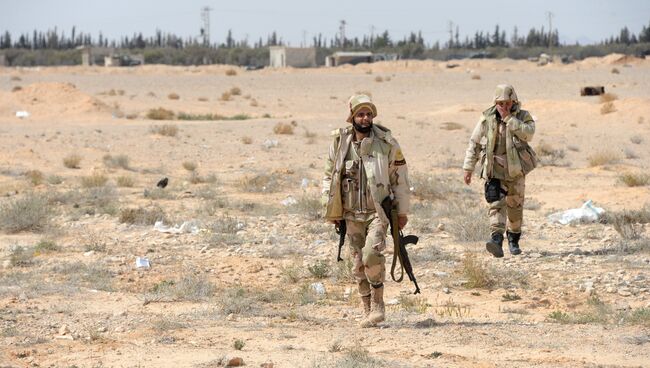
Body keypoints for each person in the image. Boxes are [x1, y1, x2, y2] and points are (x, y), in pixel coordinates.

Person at [321, 94, 411, 327]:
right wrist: (332, 210)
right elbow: (329, 176)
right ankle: (367, 309)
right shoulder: (340, 143)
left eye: (369, 114)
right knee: (357, 263)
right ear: (352, 117)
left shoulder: (386, 143)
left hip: (377, 213)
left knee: (372, 254)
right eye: (360, 114)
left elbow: (399, 179)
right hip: (350, 214)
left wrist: (402, 212)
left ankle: (379, 305)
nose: (365, 118)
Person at [462, 84, 537, 258]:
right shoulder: (487, 118)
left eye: (508, 103)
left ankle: (513, 240)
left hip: (515, 170)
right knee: (495, 204)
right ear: (495, 102)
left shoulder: (523, 116)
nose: (504, 107)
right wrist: (468, 168)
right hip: (493, 170)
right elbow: (474, 143)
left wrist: (510, 119)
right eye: (500, 103)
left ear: (514, 101)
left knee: (515, 206)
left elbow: (529, 134)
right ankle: (496, 240)